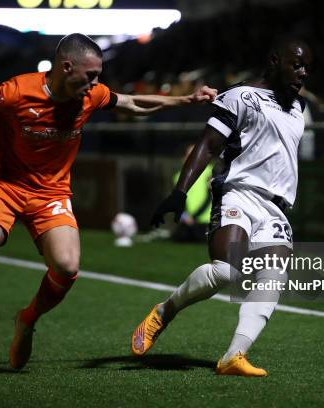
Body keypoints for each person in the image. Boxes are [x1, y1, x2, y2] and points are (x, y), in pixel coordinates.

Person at [0, 33, 217, 374]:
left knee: (67, 267)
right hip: (5, 187)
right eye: (90, 75)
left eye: (99, 76)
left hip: (51, 195)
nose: (96, 83)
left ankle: (27, 319)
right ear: (66, 66)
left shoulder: (90, 96)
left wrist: (187, 100)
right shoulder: (14, 92)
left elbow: (133, 103)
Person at [130, 38, 312, 376]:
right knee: (228, 271)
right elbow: (207, 145)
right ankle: (164, 312)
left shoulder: (299, 108)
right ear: (274, 61)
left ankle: (234, 356)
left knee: (273, 276)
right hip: (238, 193)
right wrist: (180, 193)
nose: (302, 73)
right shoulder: (240, 96)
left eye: (306, 67)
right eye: (296, 65)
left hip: (276, 208)